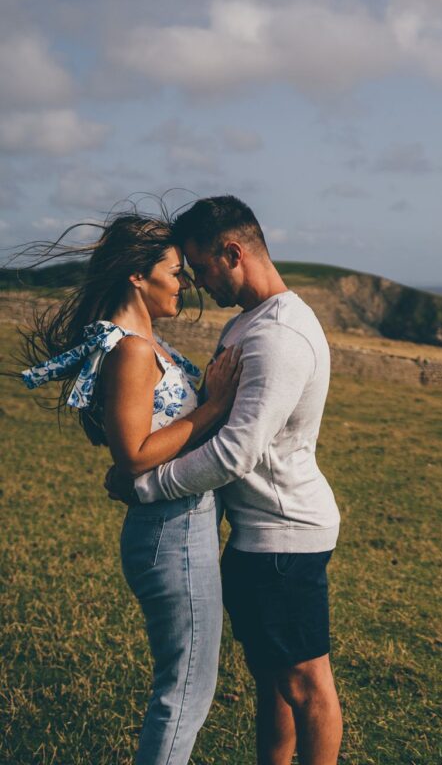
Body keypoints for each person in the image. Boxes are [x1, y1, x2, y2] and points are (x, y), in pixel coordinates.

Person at [111, 196, 344, 765]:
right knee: (273, 684)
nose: (194, 282)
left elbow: (236, 452)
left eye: (201, 266)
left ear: (233, 252)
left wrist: (150, 483)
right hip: (254, 536)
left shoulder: (279, 336)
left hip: (283, 538)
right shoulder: (249, 323)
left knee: (307, 687)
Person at [16, 212, 242, 765]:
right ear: (137, 277)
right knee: (186, 690)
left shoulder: (143, 342)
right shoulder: (133, 350)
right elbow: (134, 454)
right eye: (175, 271)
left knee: (185, 685)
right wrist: (214, 406)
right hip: (173, 536)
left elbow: (131, 454)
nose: (184, 283)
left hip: (177, 530)